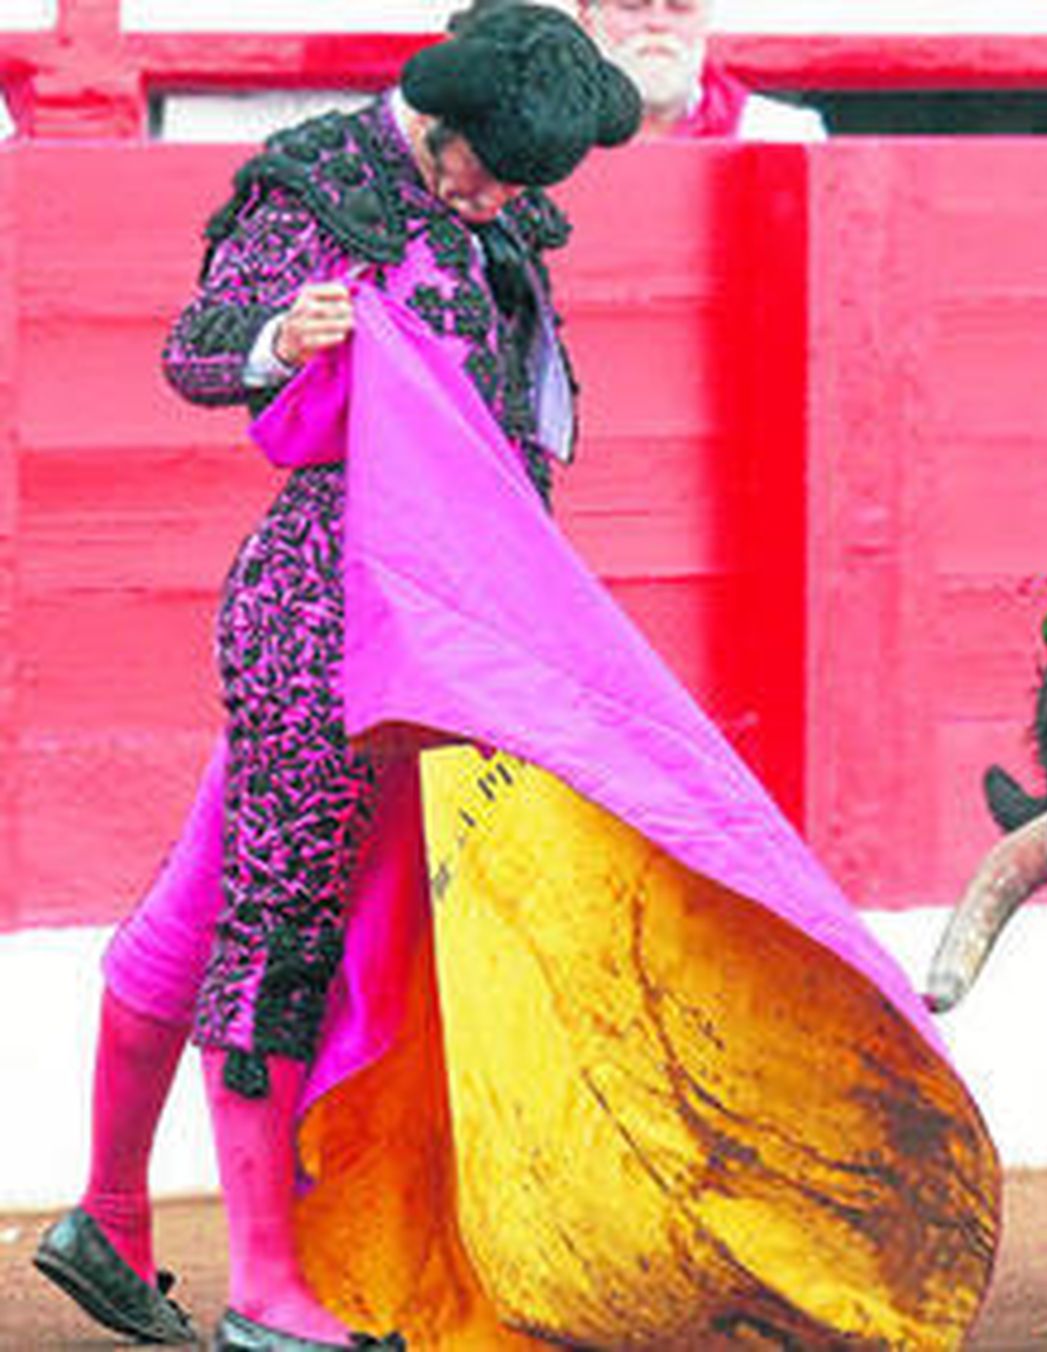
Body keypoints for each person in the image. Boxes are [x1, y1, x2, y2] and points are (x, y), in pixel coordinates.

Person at [32, 6, 639, 1349]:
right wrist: (280, 340)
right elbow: (194, 348)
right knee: (282, 927)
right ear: (440, 120)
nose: (503, 200)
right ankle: (265, 1290)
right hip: (326, 605)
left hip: (460, 614)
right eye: (490, 170)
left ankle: (110, 1218)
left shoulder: (506, 212)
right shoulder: (317, 182)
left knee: (210, 907)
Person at [577, 0, 826, 141]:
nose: (658, 23)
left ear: (705, 18)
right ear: (588, 21)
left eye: (680, 7)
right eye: (632, 6)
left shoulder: (781, 133)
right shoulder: (542, 137)